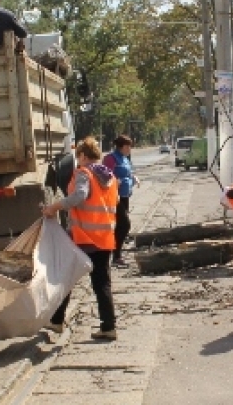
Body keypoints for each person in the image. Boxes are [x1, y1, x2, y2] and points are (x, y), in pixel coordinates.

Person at [42, 137, 119, 341]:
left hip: (85, 237)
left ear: (83, 156)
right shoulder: (108, 177)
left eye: (79, 157)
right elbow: (115, 201)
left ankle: (57, 321)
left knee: (66, 277)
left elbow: (80, 195)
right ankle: (108, 327)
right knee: (102, 283)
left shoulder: (84, 173)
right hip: (105, 237)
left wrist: (54, 207)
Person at [104, 135, 140, 267]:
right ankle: (115, 255)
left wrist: (134, 177)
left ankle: (116, 255)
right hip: (114, 197)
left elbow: (128, 172)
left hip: (125, 196)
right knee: (124, 225)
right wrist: (114, 181)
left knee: (120, 226)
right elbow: (105, 174)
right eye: (128, 146)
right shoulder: (110, 158)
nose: (130, 149)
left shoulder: (124, 158)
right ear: (121, 146)